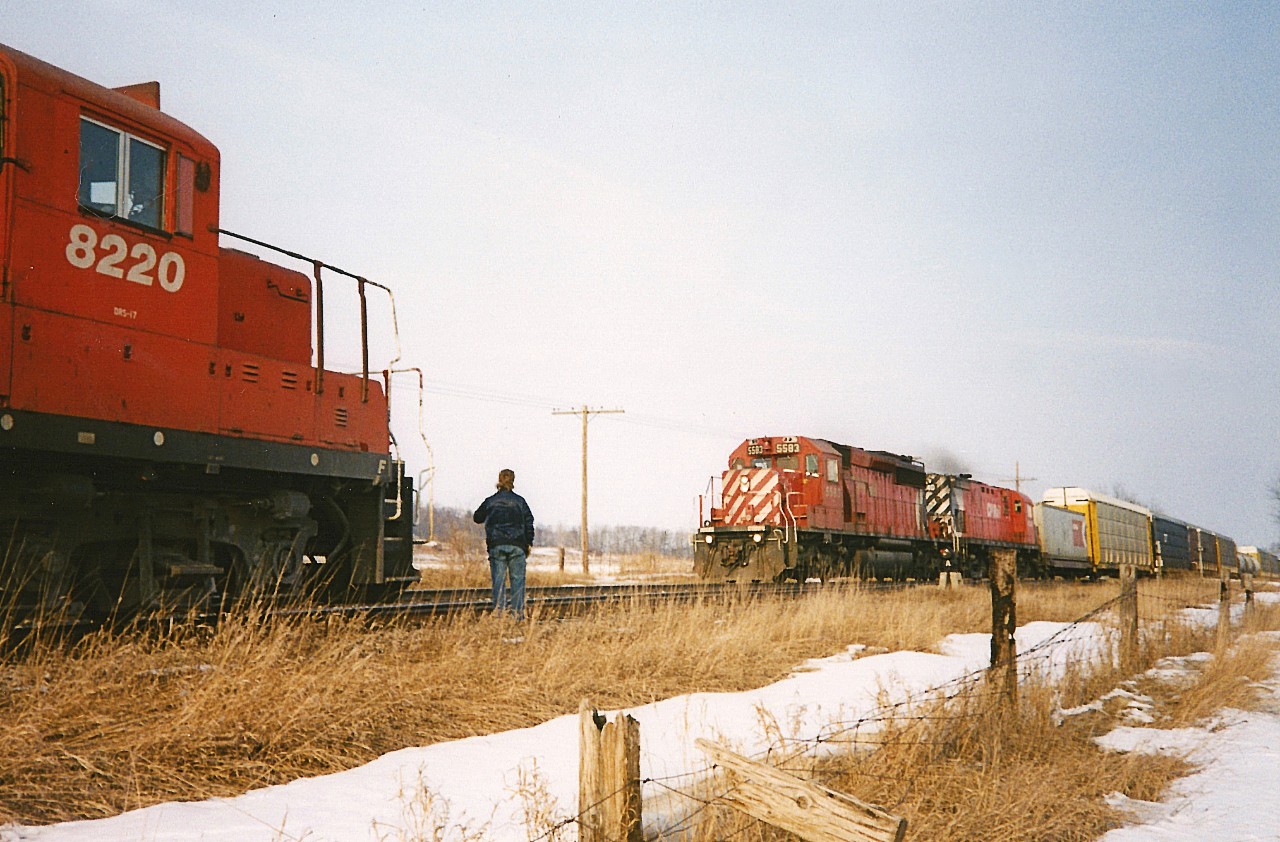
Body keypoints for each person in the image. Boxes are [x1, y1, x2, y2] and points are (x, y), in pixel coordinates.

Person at [473, 468, 535, 621]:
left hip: (497, 545)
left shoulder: (491, 501)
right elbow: (529, 522)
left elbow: (477, 517)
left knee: (499, 581)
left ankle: (499, 615)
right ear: (513, 481)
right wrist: (528, 542)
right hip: (517, 546)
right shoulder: (520, 501)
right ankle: (517, 616)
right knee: (518, 582)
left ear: (499, 480)